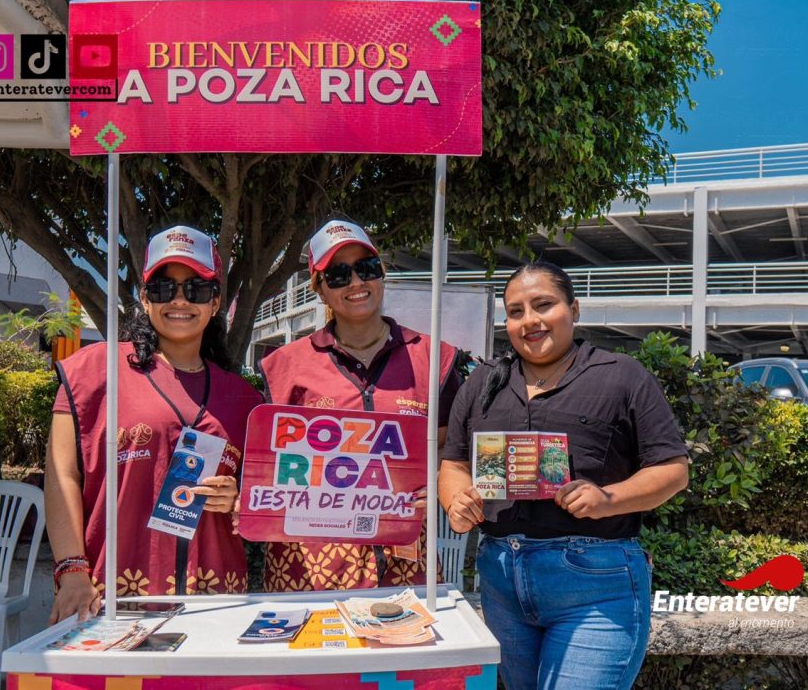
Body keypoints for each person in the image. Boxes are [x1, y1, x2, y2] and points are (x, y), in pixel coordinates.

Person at [440, 260, 689, 690]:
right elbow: (455, 464)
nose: (529, 320)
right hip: (501, 579)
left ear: (574, 309)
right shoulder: (482, 382)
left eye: (543, 305)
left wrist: (608, 499)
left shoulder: (622, 376)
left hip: (596, 584)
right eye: (515, 311)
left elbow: (673, 470)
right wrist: (456, 501)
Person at [45, 225, 263, 623]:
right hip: (109, 595)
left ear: (215, 302)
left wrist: (237, 499)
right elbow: (62, 476)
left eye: (196, 289)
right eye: (164, 288)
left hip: (215, 600)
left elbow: (262, 498)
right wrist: (72, 570)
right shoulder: (94, 372)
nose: (180, 300)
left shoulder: (244, 400)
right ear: (145, 299)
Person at [258, 219, 462, 591]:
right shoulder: (284, 366)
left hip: (406, 558)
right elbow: (265, 465)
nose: (355, 282)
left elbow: (451, 447)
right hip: (311, 566)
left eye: (366, 268)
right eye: (338, 275)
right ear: (320, 289)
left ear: (381, 273)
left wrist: (434, 481)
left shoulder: (433, 358)